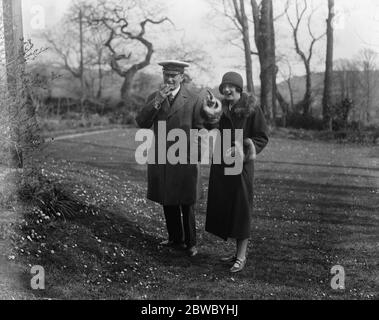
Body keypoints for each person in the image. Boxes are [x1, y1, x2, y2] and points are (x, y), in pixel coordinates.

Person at [135, 60, 205, 257]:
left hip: (185, 156)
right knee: (168, 198)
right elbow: (142, 122)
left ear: (182, 77)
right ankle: (175, 238)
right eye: (167, 75)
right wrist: (157, 100)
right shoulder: (154, 97)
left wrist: (196, 154)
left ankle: (191, 243)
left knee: (187, 201)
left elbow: (201, 129)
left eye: (174, 75)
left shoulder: (194, 98)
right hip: (162, 157)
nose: (170, 79)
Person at [201, 71, 269, 272]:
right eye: (224, 87)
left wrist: (245, 147)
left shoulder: (252, 109)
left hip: (241, 167)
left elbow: (262, 137)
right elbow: (210, 128)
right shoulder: (222, 106)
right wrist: (211, 113)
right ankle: (235, 253)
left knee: (241, 210)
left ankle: (241, 256)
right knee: (225, 207)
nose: (227, 90)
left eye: (231, 86)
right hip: (221, 163)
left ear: (239, 89)